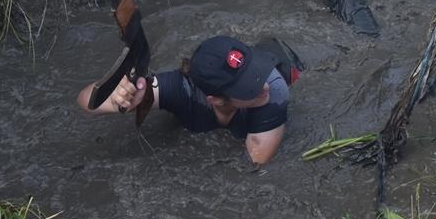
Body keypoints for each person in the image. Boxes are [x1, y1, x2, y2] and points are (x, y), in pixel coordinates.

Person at [76, 36, 299, 165]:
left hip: (285, 59)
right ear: (215, 100)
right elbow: (86, 102)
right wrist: (118, 95)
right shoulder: (181, 89)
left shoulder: (274, 91)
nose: (263, 87)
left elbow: (257, 161)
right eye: (248, 88)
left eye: (255, 74)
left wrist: (261, 102)